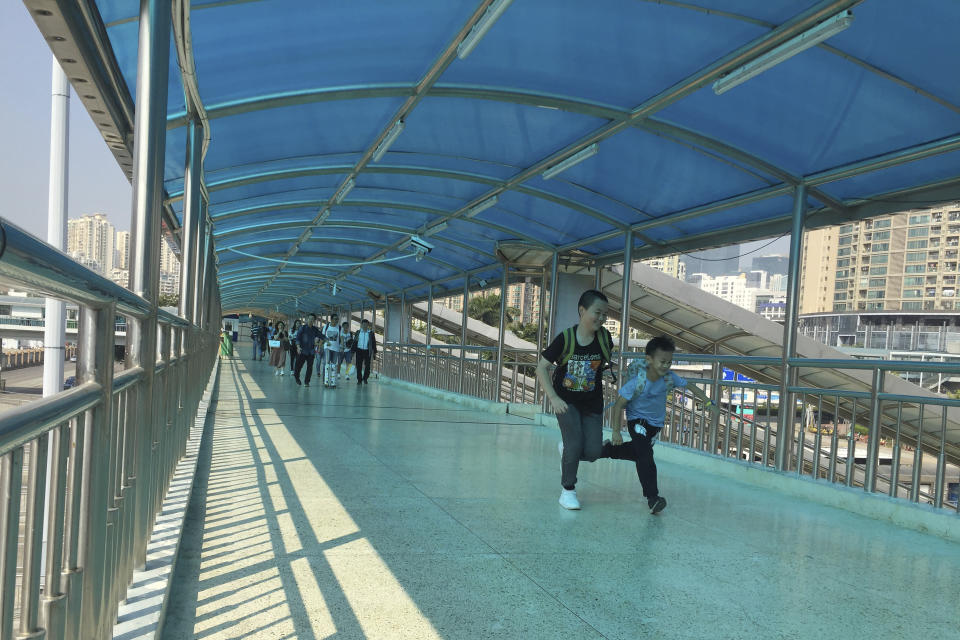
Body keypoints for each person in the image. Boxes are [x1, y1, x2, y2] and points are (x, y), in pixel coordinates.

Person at [601, 335, 719, 515]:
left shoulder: (669, 378)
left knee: (637, 453)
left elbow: (691, 386)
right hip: (637, 421)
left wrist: (709, 403)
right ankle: (653, 498)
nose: (666, 366)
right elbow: (618, 405)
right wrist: (616, 431)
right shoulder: (638, 382)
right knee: (646, 455)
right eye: (662, 361)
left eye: (669, 362)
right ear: (649, 359)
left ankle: (607, 450)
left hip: (655, 426)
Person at [535, 289, 614, 510]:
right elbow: (541, 368)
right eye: (597, 312)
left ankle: (567, 451)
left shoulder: (605, 339)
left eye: (605, 314)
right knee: (574, 444)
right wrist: (552, 397)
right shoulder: (566, 338)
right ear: (582, 310)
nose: (601, 318)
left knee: (592, 452)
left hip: (592, 402)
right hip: (566, 401)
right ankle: (568, 490)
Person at [294, 314, 322, 387]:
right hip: (302, 350)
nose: (311, 320)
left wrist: (326, 340)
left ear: (314, 321)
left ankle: (307, 382)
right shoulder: (302, 328)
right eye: (309, 319)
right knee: (298, 366)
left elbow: (321, 335)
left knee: (310, 367)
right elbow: (297, 338)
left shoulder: (315, 329)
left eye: (312, 319)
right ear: (307, 319)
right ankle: (297, 378)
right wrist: (298, 347)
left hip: (311, 351)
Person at [322, 314, 343, 387]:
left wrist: (342, 346)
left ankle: (333, 381)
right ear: (331, 319)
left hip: (336, 348)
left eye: (337, 319)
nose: (336, 320)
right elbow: (323, 336)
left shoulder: (339, 328)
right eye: (334, 319)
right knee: (326, 363)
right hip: (327, 347)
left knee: (334, 365)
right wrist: (324, 343)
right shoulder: (326, 326)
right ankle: (325, 380)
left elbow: (341, 337)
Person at [354, 318, 376, 385]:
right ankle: (359, 380)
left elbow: (373, 343)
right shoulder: (358, 332)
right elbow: (355, 342)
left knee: (367, 366)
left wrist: (374, 352)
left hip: (367, 351)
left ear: (368, 325)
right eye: (363, 324)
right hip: (359, 350)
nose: (364, 326)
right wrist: (352, 351)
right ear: (361, 325)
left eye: (366, 324)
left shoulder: (370, 333)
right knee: (359, 366)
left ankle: (365, 378)